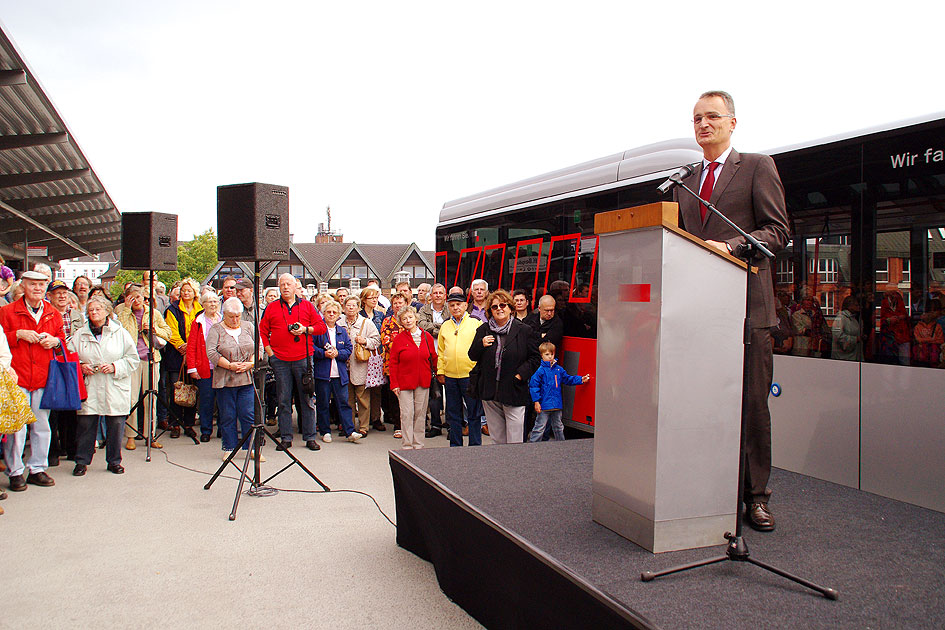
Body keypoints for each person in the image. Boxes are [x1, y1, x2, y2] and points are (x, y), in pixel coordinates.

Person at [674, 90, 790, 532]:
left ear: (732, 123)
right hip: (702, 314)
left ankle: (756, 497)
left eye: (713, 117)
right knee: (702, 406)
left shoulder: (758, 166)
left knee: (751, 407)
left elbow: (777, 231)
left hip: (748, 312)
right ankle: (707, 489)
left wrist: (734, 247)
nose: (704, 124)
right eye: (697, 118)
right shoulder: (687, 181)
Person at [0, 270, 65, 490]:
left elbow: (63, 344)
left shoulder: (53, 313)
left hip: (43, 377)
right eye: (32, 285)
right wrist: (17, 334)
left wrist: (54, 341)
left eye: (41, 285)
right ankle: (15, 471)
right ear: (23, 287)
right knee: (17, 429)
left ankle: (37, 468)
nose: (37, 289)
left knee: (41, 426)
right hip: (16, 377)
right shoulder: (7, 312)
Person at [70, 295, 140, 476]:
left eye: (98, 309)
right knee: (86, 424)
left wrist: (115, 366)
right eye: (91, 310)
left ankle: (114, 461)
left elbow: (133, 359)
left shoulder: (120, 333)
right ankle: (82, 461)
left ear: (107, 311)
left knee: (116, 424)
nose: (94, 313)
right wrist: (81, 366)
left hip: (114, 385)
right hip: (91, 384)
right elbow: (70, 356)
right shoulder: (81, 333)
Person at [260, 273, 327, 451]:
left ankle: (310, 437)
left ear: (295, 286)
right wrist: (270, 353)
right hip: (280, 360)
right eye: (282, 284)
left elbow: (321, 327)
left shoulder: (306, 306)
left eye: (289, 284)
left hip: (303, 358)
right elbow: (262, 331)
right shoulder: (272, 308)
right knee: (283, 400)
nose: (285, 287)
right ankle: (286, 437)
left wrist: (306, 329)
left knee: (306, 399)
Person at [467, 289, 539, 444]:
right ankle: (500, 467)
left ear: (510, 308)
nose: (499, 308)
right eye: (494, 307)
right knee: (497, 439)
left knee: (515, 439)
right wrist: (481, 344)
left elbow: (535, 358)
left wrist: (520, 375)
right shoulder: (483, 330)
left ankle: (514, 468)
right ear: (490, 311)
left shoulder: (524, 330)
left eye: (503, 305)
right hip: (490, 392)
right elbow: (472, 355)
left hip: (513, 390)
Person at [207, 298, 263, 461]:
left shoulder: (248, 326)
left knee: (248, 413)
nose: (235, 320)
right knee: (228, 414)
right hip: (225, 379)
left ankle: (252, 447)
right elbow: (211, 352)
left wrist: (250, 364)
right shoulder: (216, 329)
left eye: (238, 316)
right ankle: (229, 447)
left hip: (246, 377)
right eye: (231, 316)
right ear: (224, 314)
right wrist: (230, 366)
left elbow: (258, 346)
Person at [118, 284, 171, 451]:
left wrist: (154, 330)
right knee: (132, 399)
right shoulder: (123, 313)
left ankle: (150, 434)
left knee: (151, 399)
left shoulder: (153, 313)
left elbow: (167, 332)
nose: (136, 301)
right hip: (131, 361)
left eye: (139, 297)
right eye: (132, 298)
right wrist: (126, 310)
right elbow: (120, 332)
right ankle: (131, 435)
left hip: (151, 359)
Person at [437, 287, 484, 446]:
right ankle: (456, 445)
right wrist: (441, 371)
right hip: (450, 377)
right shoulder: (445, 326)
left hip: (469, 376)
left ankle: (475, 445)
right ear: (448, 307)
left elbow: (481, 349)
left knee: (473, 412)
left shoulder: (475, 324)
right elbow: (441, 351)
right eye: (452, 305)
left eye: (458, 304)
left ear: (465, 305)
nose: (455, 308)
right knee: (453, 413)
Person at [45, 280, 85, 464]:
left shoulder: (77, 315)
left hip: (71, 362)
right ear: (49, 296)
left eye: (64, 292)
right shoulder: (46, 314)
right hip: (51, 363)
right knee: (52, 409)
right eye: (57, 293)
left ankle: (72, 448)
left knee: (71, 407)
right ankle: (53, 450)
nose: (62, 296)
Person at [311, 300, 362, 443]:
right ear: (324, 313)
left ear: (339, 314)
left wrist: (338, 354)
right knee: (322, 403)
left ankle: (350, 431)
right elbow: (311, 348)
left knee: (344, 403)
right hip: (323, 374)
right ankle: (325, 430)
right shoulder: (317, 330)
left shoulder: (342, 331)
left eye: (334, 312)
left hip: (340, 374)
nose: (331, 314)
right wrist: (324, 354)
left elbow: (348, 349)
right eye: (329, 312)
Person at [388, 305, 437, 449]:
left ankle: (418, 444)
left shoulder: (427, 337)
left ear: (416, 318)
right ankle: (408, 445)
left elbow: (433, 358)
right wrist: (394, 384)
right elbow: (393, 363)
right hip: (404, 382)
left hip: (423, 380)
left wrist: (437, 374)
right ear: (401, 322)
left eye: (410, 317)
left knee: (420, 414)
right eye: (404, 319)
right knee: (407, 414)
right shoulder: (399, 339)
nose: (408, 321)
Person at [163, 278, 203, 439]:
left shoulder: (200, 310)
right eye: (183, 290)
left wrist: (192, 348)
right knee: (177, 389)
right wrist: (183, 347)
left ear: (195, 293)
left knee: (193, 389)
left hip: (196, 355)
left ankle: (188, 423)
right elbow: (171, 332)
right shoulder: (172, 309)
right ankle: (175, 424)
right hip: (176, 355)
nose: (186, 293)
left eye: (189, 290)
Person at [528, 341, 589, 442]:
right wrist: (537, 402)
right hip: (545, 404)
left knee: (558, 426)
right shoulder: (541, 371)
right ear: (541, 355)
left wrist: (581, 379)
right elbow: (534, 386)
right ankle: (534, 444)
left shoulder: (559, 370)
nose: (550, 357)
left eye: (552, 354)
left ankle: (561, 444)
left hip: (555, 404)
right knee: (540, 427)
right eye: (547, 354)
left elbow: (568, 379)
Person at [340, 295, 380, 436]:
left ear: (358, 308)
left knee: (363, 399)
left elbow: (376, 340)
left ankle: (363, 427)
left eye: (353, 305)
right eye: (348, 305)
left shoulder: (367, 323)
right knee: (347, 399)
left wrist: (365, 341)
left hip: (360, 365)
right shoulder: (339, 322)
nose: (350, 308)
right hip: (343, 367)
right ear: (344, 307)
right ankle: (349, 427)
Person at [187, 291, 222, 441]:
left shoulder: (222, 319)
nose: (213, 304)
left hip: (222, 367)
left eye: (215, 301)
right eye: (209, 302)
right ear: (203, 305)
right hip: (205, 366)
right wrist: (193, 367)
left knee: (223, 400)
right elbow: (191, 346)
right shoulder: (198, 322)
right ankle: (206, 430)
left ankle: (223, 429)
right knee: (206, 400)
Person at [418, 283, 448, 437]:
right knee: (435, 394)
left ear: (445, 295)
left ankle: (450, 424)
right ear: (430, 296)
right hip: (430, 358)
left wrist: (435, 328)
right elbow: (421, 325)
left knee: (451, 394)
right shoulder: (424, 310)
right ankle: (435, 425)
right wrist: (441, 328)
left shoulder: (450, 308)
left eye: (440, 293)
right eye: (435, 293)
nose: (437, 295)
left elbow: (453, 326)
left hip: (448, 357)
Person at [380, 293, 408, 437]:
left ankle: (409, 424)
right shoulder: (387, 321)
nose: (398, 305)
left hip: (409, 365)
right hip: (392, 364)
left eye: (400, 302)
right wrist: (403, 349)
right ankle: (398, 425)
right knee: (395, 396)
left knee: (409, 395)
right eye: (395, 303)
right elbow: (385, 340)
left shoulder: (409, 320)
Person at [359, 286, 387, 432]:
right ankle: (364, 418)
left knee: (376, 387)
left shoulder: (380, 315)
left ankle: (376, 417)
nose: (375, 300)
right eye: (372, 298)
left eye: (376, 298)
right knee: (363, 388)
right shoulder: (359, 315)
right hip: (362, 355)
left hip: (377, 355)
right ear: (364, 300)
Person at [879, 290, 911, 365]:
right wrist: (888, 320)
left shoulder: (900, 305)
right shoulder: (885, 304)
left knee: (904, 361)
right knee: (890, 361)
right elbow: (882, 321)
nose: (893, 298)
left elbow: (906, 318)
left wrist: (899, 318)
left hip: (902, 337)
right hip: (890, 338)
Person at [912, 298, 944, 368]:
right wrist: (932, 339)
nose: (932, 313)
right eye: (930, 311)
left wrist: (925, 340)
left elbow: (941, 340)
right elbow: (918, 339)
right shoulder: (918, 326)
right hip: (922, 357)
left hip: (934, 356)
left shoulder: (939, 324)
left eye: (935, 310)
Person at [831, 296, 865, 361]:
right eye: (856, 305)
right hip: (843, 357)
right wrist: (855, 339)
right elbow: (837, 335)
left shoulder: (854, 318)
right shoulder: (841, 318)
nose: (859, 307)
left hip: (854, 355)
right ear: (849, 306)